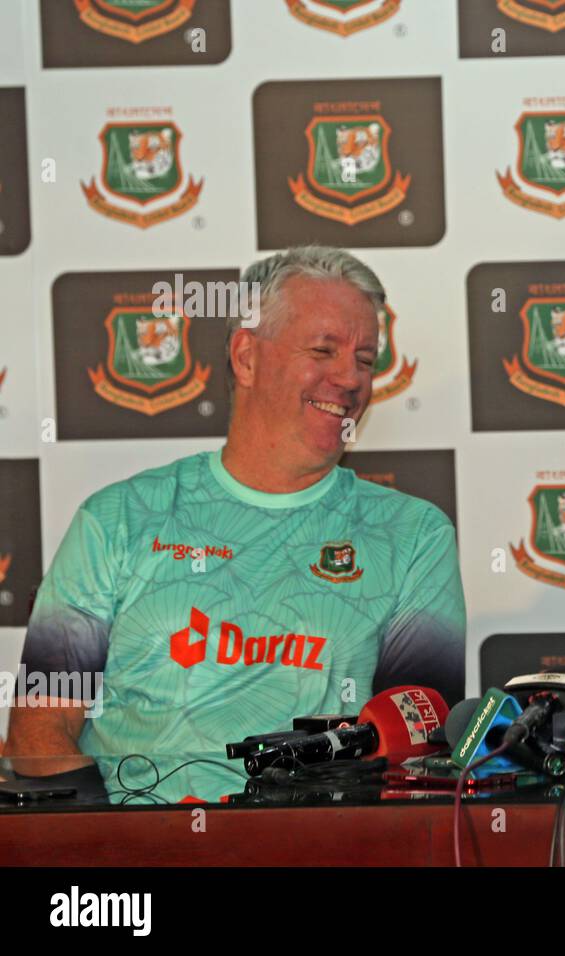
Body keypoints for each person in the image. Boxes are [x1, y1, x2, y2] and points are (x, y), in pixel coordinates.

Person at [8, 246, 466, 772]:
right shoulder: (117, 519)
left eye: (365, 359)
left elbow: (420, 744)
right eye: (323, 350)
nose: (350, 378)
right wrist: (109, 842)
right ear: (246, 357)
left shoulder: (413, 535)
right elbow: (37, 730)